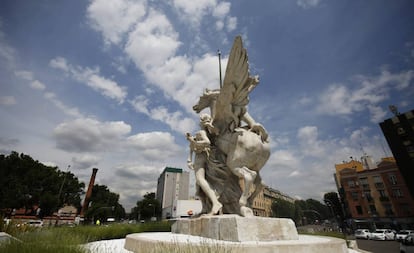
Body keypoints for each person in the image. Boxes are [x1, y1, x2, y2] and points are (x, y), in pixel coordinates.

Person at [186, 114, 222, 216]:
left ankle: (216, 203)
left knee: (200, 180)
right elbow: (191, 147)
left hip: (201, 157)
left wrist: (193, 141)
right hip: (200, 157)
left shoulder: (201, 132)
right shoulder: (206, 132)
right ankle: (205, 207)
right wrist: (189, 158)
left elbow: (207, 142)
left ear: (201, 122)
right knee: (198, 186)